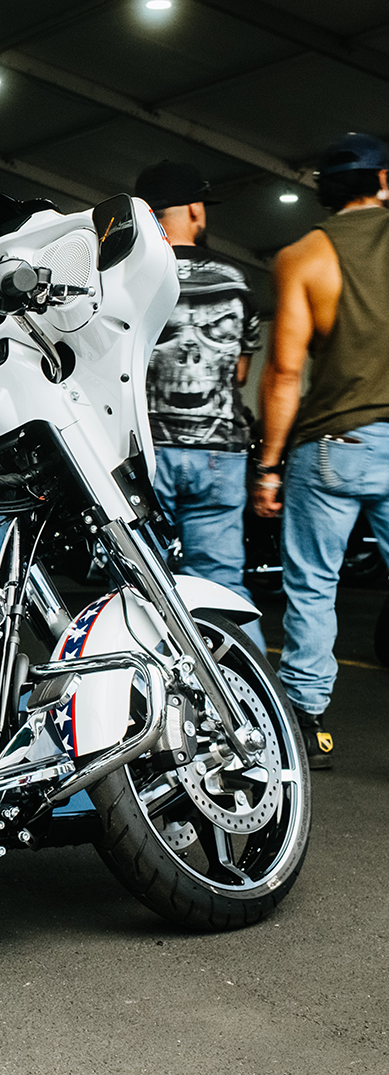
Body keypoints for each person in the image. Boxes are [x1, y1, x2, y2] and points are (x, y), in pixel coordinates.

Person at [254, 131, 389, 771]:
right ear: (383, 181)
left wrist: (270, 465)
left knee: (313, 590)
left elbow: (283, 372)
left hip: (330, 445)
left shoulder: (303, 254)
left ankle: (306, 724)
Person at [134, 161, 264, 645]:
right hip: (219, 454)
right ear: (193, 209)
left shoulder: (130, 277)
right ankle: (239, 697)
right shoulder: (236, 280)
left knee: (140, 585)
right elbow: (241, 371)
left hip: (147, 451)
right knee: (222, 581)